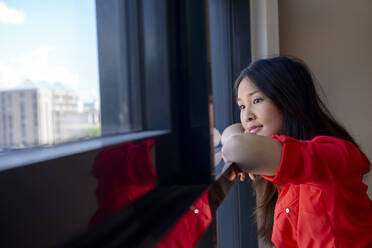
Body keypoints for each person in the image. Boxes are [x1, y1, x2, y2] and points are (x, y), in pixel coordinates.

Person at [221, 56, 372, 247]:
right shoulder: (282, 174)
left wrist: (243, 146)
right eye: (242, 106)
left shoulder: (334, 154)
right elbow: (233, 140)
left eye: (257, 100)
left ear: (288, 100)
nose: (247, 116)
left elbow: (235, 147)